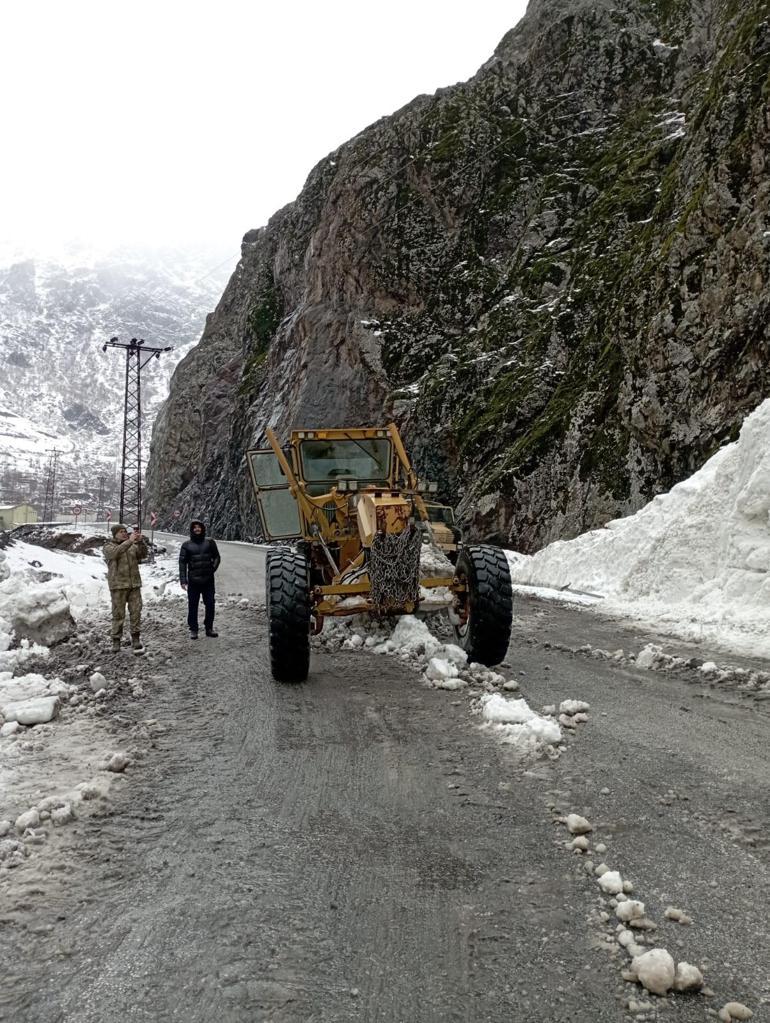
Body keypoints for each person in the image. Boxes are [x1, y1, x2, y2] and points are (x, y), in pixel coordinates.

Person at [103, 523, 148, 654]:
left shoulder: (131, 545)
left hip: (134, 585)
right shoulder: (108, 546)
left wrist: (140, 543)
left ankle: (136, 638)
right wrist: (129, 541)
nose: (124, 533)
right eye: (121, 532)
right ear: (115, 534)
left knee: (136, 612)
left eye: (125, 531)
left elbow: (143, 555)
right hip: (118, 585)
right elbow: (114, 554)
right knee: (118, 614)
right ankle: (116, 640)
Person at [179, 519, 221, 639]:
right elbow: (182, 563)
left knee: (210, 604)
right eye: (195, 527)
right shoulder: (186, 545)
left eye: (199, 527)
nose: (197, 529)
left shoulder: (210, 542)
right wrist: (183, 580)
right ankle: (193, 629)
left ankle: (209, 628)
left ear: (202, 528)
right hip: (193, 580)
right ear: (192, 530)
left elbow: (217, 557)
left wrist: (212, 569)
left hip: (208, 580)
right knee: (192, 605)